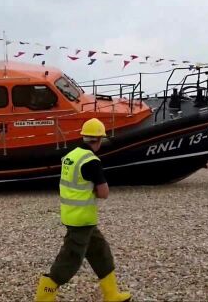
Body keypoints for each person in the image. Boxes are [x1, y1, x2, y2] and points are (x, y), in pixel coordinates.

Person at [35, 118, 131, 302]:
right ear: (99, 139)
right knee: (70, 258)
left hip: (73, 214)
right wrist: (94, 189)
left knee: (100, 251)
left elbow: (75, 184)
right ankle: (44, 295)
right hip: (81, 219)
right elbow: (104, 193)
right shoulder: (92, 161)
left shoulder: (71, 156)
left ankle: (111, 294)